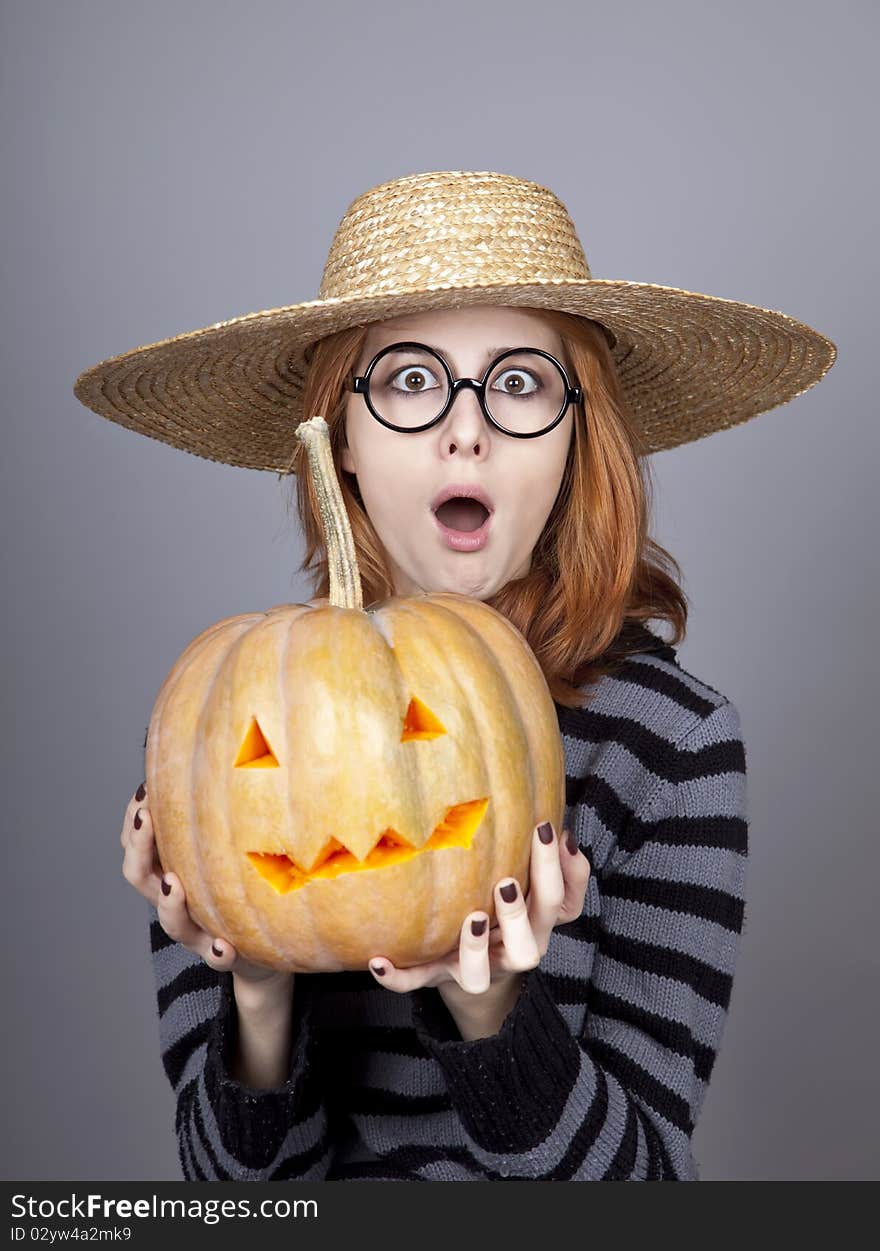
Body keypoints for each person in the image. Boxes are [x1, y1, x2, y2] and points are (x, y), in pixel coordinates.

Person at [80, 170, 836, 1181]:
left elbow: (646, 1191)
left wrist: (493, 1014)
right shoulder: (225, 728)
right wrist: (257, 988)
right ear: (338, 438)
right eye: (409, 380)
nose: (464, 428)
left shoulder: (673, 743)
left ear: (577, 437)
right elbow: (230, 1198)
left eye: (519, 383)